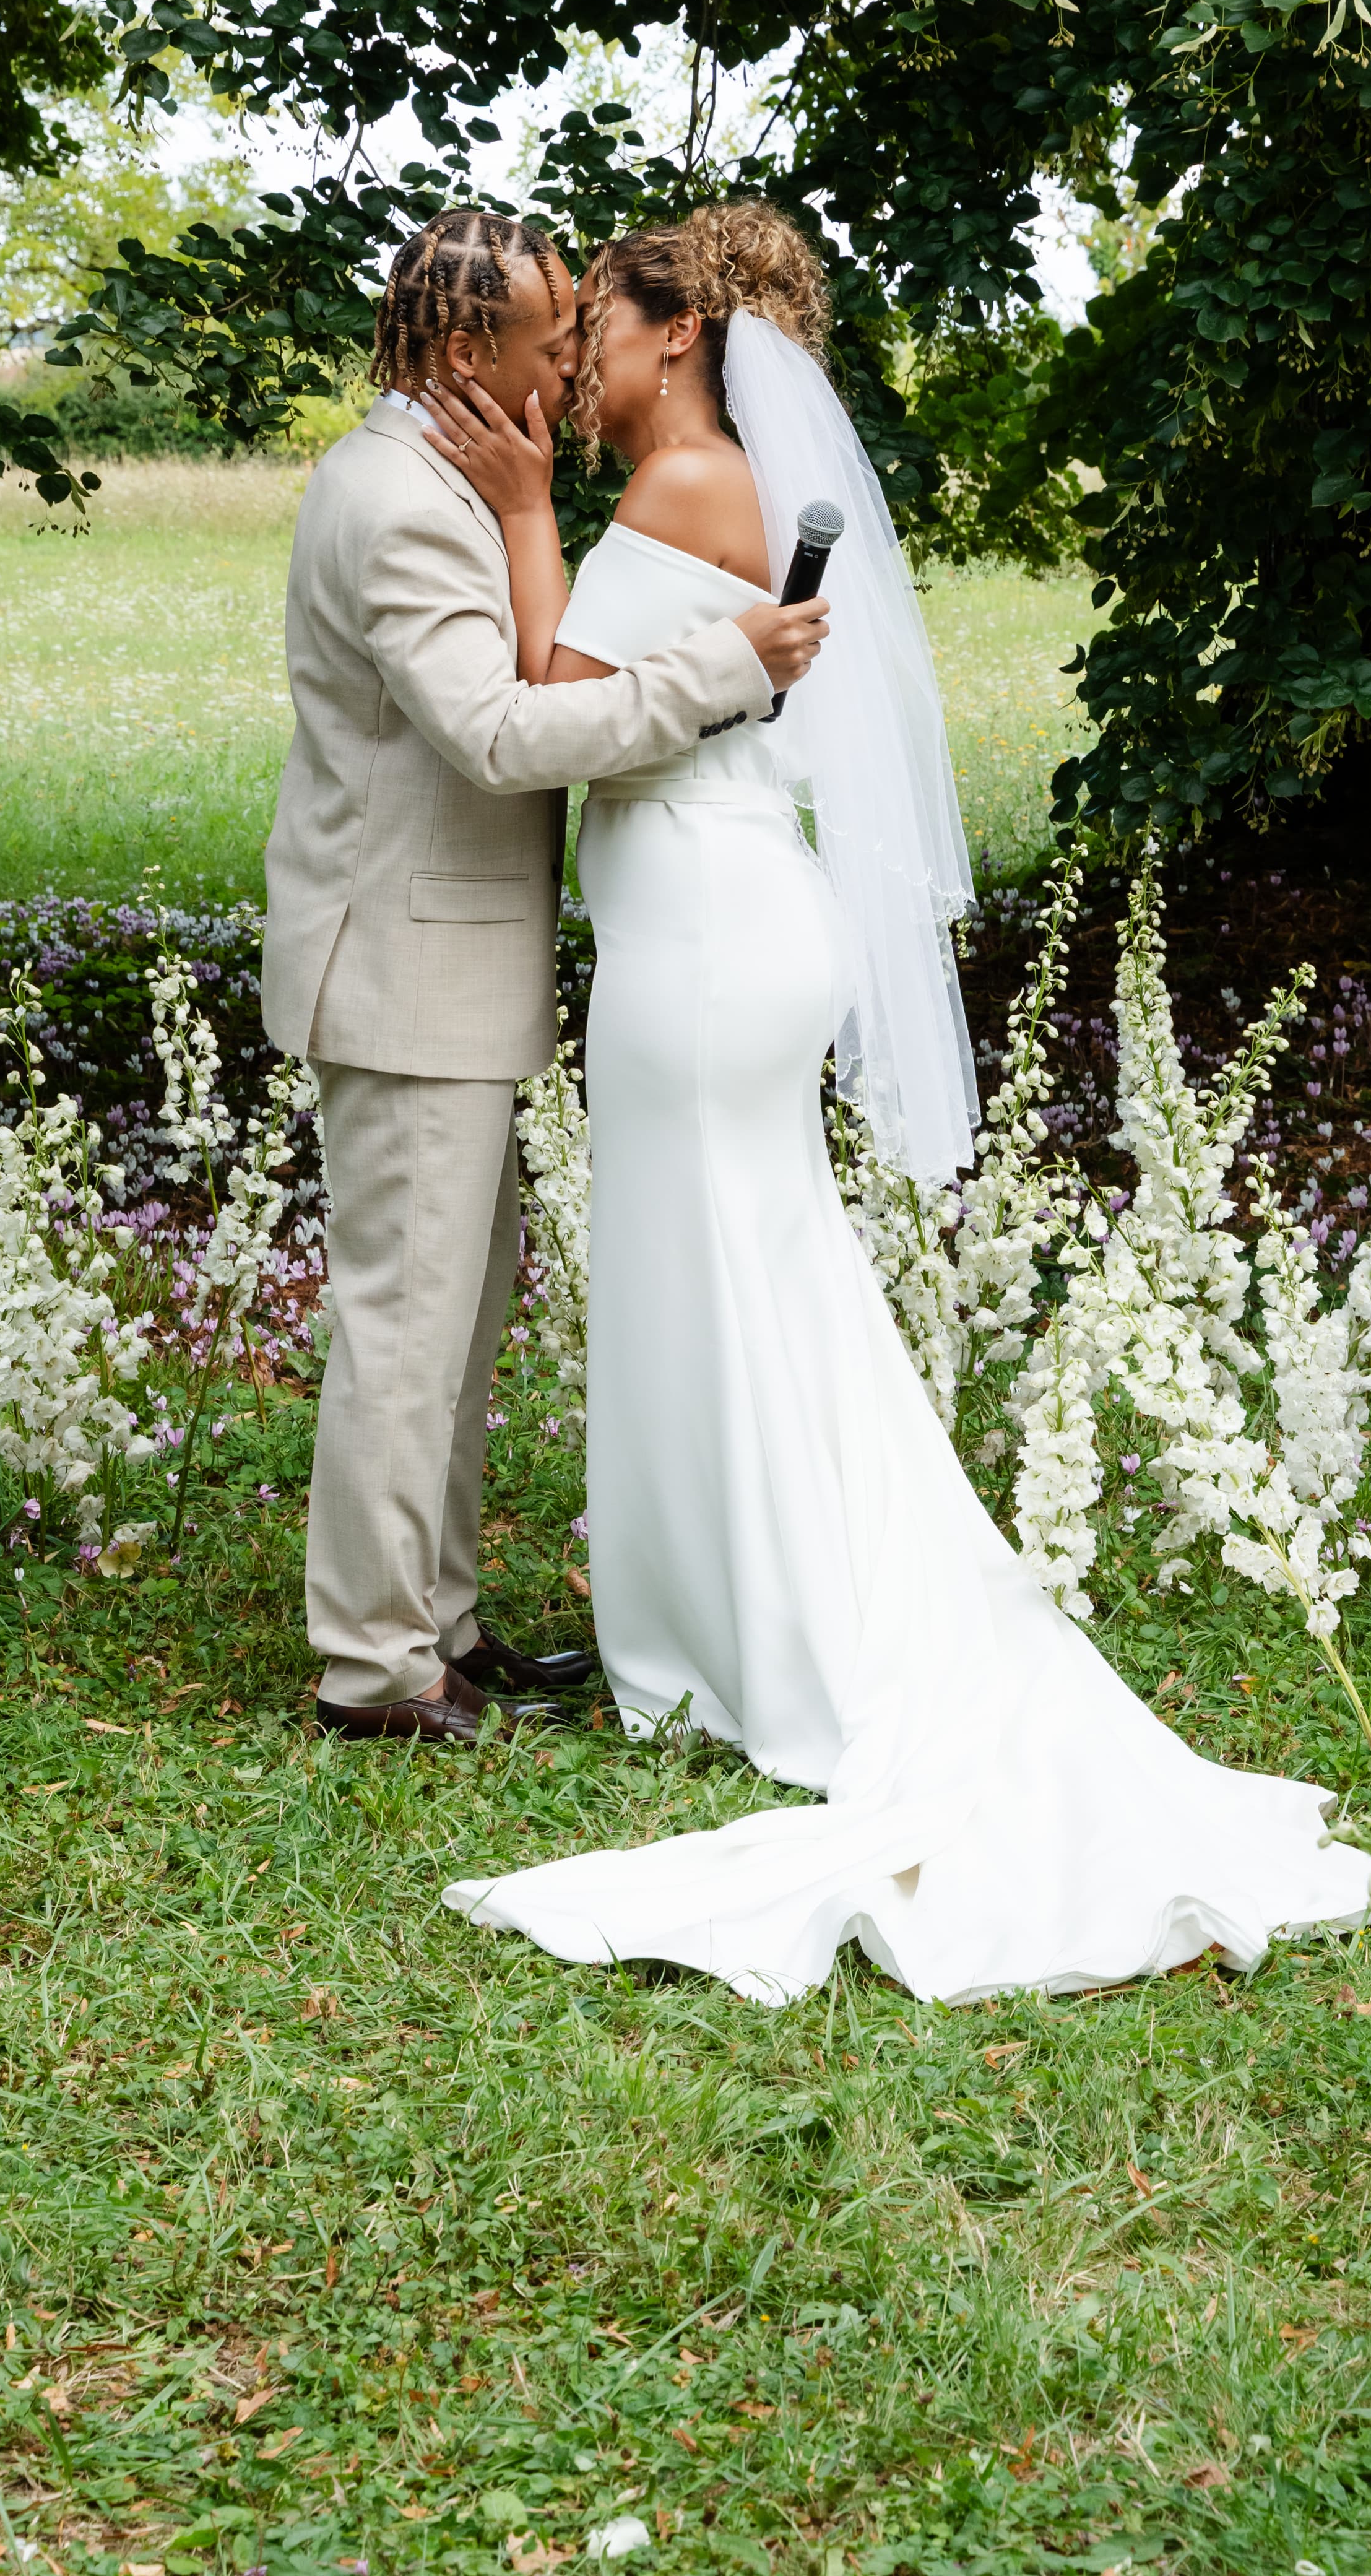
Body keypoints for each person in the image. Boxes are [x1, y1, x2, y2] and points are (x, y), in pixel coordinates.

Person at [423, 201, 1371, 2001]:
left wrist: (516, 520)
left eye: (602, 330)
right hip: (723, 922)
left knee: (715, 1281)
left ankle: (741, 1646)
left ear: (673, 336)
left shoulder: (686, 490)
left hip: (711, 941)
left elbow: (556, 696)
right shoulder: (714, 488)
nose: (572, 364)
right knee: (741, 1281)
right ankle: (718, 1629)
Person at [261, 206, 830, 1748]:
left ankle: (437, 1624)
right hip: (400, 974)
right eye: (549, 330)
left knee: (452, 1317)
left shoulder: (452, 478)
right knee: (404, 1320)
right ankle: (374, 1673)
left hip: (448, 971)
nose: (575, 353)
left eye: (585, 323)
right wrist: (730, 668)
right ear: (466, 351)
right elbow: (505, 735)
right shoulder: (392, 503)